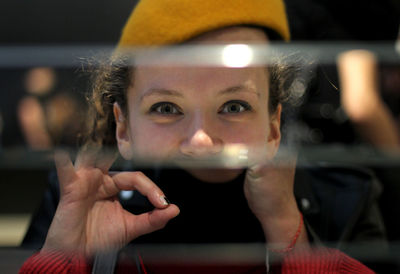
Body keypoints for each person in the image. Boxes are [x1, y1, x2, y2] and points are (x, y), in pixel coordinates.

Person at [20, 0, 386, 273]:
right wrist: (67, 260)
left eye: (233, 106)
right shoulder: (75, 204)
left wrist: (293, 238)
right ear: (123, 127)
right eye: (166, 108)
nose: (202, 142)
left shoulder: (346, 202)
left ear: (274, 124)